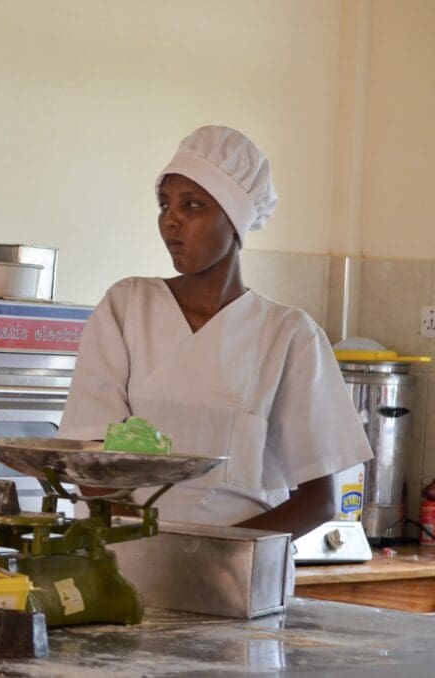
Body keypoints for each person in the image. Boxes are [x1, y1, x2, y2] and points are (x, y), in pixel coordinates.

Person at [59, 126, 372, 540]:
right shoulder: (127, 306)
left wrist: (213, 555)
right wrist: (148, 546)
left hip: (234, 577)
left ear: (236, 218)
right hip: (120, 559)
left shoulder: (289, 336)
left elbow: (319, 500)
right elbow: (89, 459)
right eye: (164, 204)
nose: (171, 220)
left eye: (192, 205)